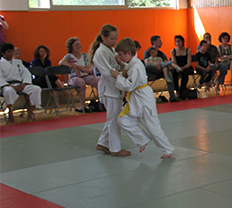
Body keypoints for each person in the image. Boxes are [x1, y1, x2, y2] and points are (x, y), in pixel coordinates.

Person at [111, 38, 174, 159]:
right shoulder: (133, 63)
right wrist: (120, 65)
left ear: (128, 53)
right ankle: (142, 139)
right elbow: (128, 69)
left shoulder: (136, 66)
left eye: (120, 54)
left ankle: (167, 149)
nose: (119, 57)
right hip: (136, 97)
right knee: (123, 119)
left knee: (152, 126)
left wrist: (117, 76)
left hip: (143, 98)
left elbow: (129, 85)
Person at [90, 24, 130, 157]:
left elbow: (117, 67)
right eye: (111, 38)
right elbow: (108, 73)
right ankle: (115, 149)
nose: (114, 41)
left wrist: (123, 70)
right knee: (114, 119)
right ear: (103, 37)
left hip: (115, 88)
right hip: (109, 89)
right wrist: (122, 76)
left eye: (115, 38)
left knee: (113, 117)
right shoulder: (100, 52)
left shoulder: (111, 50)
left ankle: (103, 143)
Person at [0, 42, 42, 123]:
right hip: (7, 85)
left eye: (12, 51)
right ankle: (10, 112)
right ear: (3, 53)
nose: (11, 53)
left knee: (36, 89)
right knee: (8, 91)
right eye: (8, 52)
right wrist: (11, 86)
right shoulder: (0, 64)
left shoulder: (18, 62)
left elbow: (26, 74)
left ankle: (30, 111)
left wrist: (24, 84)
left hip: (20, 84)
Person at [60, 37, 100, 112]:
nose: (78, 46)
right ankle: (82, 106)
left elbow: (89, 69)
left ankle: (102, 103)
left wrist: (78, 67)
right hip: (74, 77)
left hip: (86, 75)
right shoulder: (69, 57)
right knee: (80, 82)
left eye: (79, 44)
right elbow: (61, 62)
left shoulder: (85, 56)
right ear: (71, 46)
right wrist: (71, 66)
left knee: (99, 80)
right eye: (76, 45)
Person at [143, 35, 177, 102]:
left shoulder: (161, 54)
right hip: (152, 71)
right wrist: (156, 64)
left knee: (169, 73)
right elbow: (146, 63)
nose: (161, 42)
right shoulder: (147, 52)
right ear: (154, 42)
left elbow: (165, 62)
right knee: (148, 65)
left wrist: (161, 65)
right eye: (159, 41)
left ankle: (172, 96)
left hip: (162, 71)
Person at [170, 35, 194, 100]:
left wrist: (182, 68)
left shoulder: (187, 50)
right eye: (176, 41)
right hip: (177, 67)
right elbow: (174, 62)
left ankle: (182, 90)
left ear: (182, 42)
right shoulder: (173, 51)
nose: (177, 43)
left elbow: (189, 63)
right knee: (173, 73)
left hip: (186, 66)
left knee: (185, 73)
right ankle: (177, 90)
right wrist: (178, 68)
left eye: (179, 41)